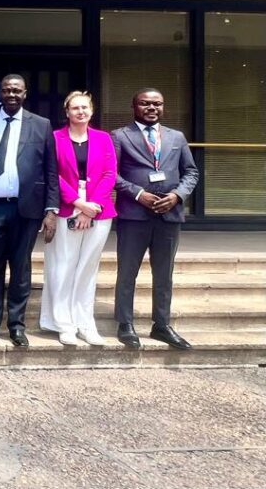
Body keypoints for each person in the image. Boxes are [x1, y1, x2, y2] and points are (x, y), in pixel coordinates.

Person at [0, 74, 58, 347]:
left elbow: (51, 170)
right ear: (0, 94)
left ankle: (17, 326)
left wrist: (51, 210)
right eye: (7, 90)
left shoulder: (41, 125)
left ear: (25, 93)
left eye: (16, 90)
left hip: (26, 210)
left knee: (21, 269)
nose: (11, 94)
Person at [112, 88, 199, 351]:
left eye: (157, 104)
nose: (152, 108)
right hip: (133, 216)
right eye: (145, 103)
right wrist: (138, 194)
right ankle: (125, 324)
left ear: (163, 107)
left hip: (168, 216)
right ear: (134, 106)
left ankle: (161, 324)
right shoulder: (120, 136)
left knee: (164, 274)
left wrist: (177, 196)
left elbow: (191, 172)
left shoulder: (177, 137)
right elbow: (111, 174)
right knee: (127, 272)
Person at [40, 91, 117, 347]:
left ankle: (85, 324)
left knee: (87, 268)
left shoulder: (104, 138)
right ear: (67, 112)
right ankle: (63, 324)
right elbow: (52, 174)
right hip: (66, 206)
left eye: (85, 107)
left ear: (91, 111)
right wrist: (77, 202)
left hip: (98, 209)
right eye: (75, 108)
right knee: (63, 266)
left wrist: (90, 207)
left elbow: (109, 173)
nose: (80, 112)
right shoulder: (54, 138)